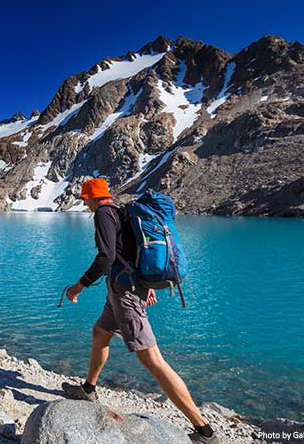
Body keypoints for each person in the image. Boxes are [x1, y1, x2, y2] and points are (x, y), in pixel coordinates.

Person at [61, 178, 218, 444]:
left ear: (92, 197)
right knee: (100, 332)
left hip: (125, 293)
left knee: (152, 360)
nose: (84, 203)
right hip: (124, 288)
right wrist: (147, 285)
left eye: (84, 198)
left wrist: (79, 286)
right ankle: (89, 389)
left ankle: (204, 431)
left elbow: (106, 257)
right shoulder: (122, 211)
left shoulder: (102, 214)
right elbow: (133, 252)